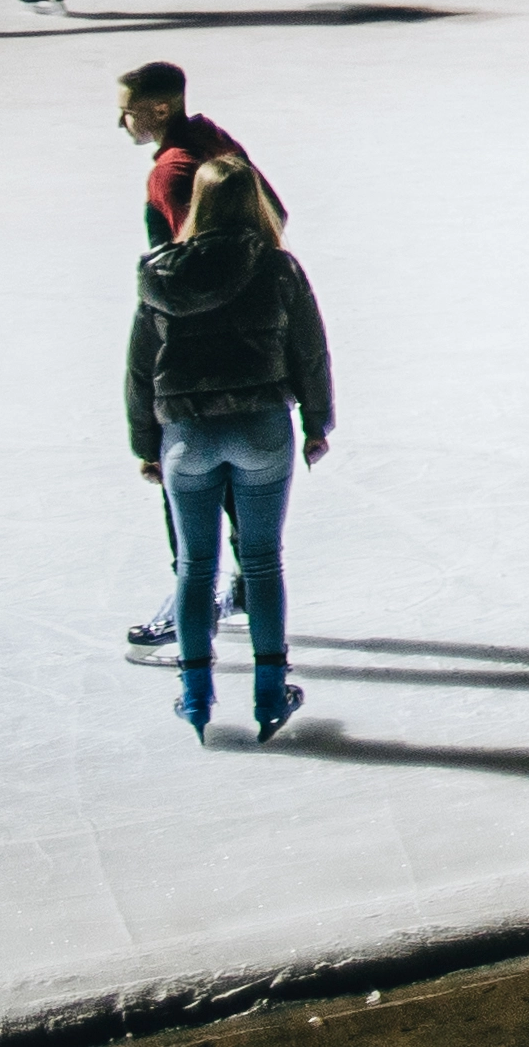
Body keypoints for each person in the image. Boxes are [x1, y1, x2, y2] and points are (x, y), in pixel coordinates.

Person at [130, 151, 333, 745]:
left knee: (196, 567)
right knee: (263, 560)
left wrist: (146, 443)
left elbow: (140, 368)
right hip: (261, 428)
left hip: (187, 436)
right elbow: (310, 351)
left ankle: (196, 695)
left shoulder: (160, 272)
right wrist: (317, 423)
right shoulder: (279, 270)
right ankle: (270, 691)